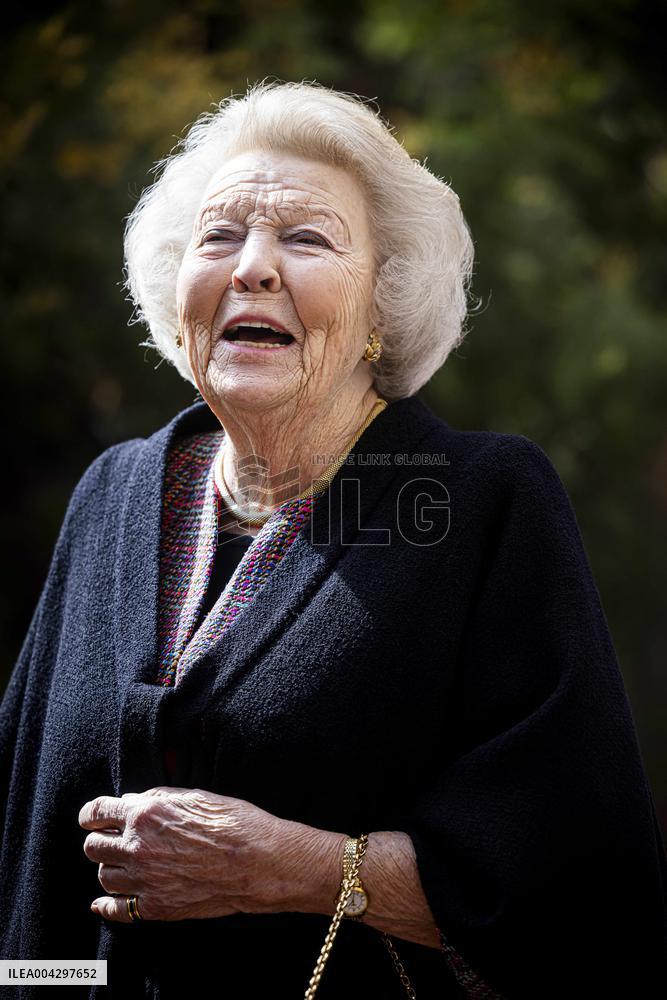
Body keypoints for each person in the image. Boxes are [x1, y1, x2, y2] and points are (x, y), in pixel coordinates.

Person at [1, 80, 665, 1000]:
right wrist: (42, 986)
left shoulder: (479, 502)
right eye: (219, 236)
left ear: (380, 311)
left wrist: (301, 869)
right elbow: (25, 878)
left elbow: (581, 883)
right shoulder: (111, 496)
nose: (253, 268)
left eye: (305, 239)